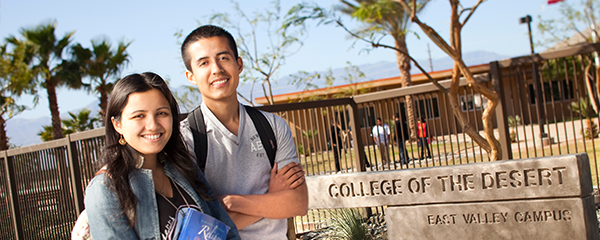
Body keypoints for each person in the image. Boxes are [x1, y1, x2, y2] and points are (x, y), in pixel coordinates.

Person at [180, 25, 308, 239]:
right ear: (191, 76)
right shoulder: (186, 138)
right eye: (204, 63)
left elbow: (298, 203)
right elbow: (200, 230)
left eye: (223, 58)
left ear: (238, 64)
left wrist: (232, 202)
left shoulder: (273, 126)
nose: (216, 69)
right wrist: (271, 198)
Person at [83, 72, 241, 239]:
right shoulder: (105, 189)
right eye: (139, 116)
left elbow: (228, 232)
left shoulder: (185, 168)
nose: (152, 125)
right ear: (117, 124)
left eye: (162, 113)